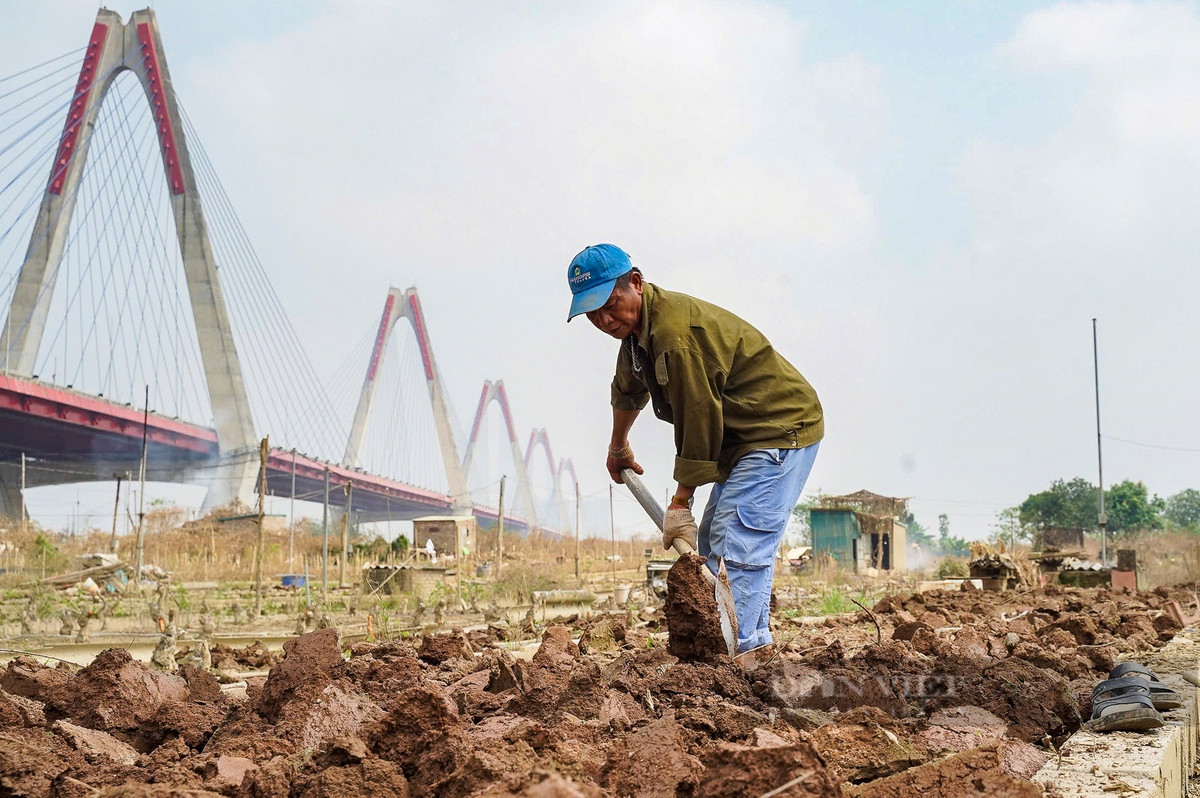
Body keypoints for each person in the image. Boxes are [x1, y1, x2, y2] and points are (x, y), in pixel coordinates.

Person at [566, 243, 823, 657]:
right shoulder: (637, 336)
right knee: (713, 540)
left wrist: (681, 502)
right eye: (593, 314)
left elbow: (699, 418)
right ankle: (743, 646)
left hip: (777, 429)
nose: (604, 320)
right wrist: (618, 447)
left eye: (610, 305)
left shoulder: (673, 335)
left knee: (739, 541)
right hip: (739, 438)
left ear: (635, 283)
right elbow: (627, 390)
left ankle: (742, 657)